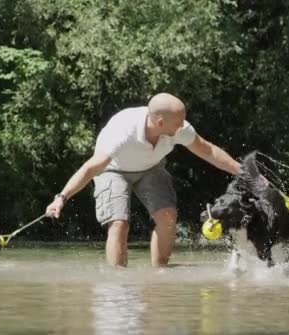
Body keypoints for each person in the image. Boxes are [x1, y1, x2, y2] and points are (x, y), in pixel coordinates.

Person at [45, 93, 241, 267]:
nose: (183, 125)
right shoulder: (123, 131)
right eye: (178, 121)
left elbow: (209, 151)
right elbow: (90, 168)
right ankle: (117, 283)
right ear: (160, 122)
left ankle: (160, 274)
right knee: (119, 224)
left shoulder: (179, 128)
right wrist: (61, 198)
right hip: (113, 170)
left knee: (168, 216)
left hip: (151, 166)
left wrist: (244, 173)